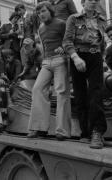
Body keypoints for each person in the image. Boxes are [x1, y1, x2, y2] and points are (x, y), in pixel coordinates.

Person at [63, 0, 107, 149]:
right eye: (90, 0)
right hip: (78, 56)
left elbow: (103, 43)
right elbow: (67, 41)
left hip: (95, 58)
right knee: (80, 95)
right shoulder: (73, 18)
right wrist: (75, 58)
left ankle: (97, 131)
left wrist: (103, 58)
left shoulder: (101, 20)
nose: (94, 2)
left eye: (96, 0)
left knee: (96, 93)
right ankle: (85, 132)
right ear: (83, 2)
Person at [27, 1, 71, 141]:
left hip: (60, 60)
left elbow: (69, 40)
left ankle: (62, 131)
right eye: (39, 13)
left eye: (44, 11)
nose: (41, 14)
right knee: (37, 89)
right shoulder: (40, 28)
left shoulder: (61, 23)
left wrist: (63, 49)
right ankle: (39, 128)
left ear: (50, 10)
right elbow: (44, 47)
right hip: (46, 62)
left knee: (61, 92)